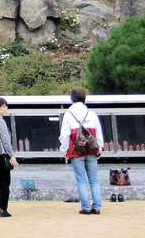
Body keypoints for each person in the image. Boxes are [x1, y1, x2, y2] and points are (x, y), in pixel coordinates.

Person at [59, 87, 105, 215]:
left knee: (81, 180)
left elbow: (65, 136)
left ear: (72, 99)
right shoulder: (91, 114)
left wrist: (65, 151)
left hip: (76, 151)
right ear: (85, 98)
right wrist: (99, 149)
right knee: (94, 180)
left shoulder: (68, 114)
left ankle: (85, 207)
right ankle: (97, 207)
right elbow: (99, 134)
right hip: (91, 151)